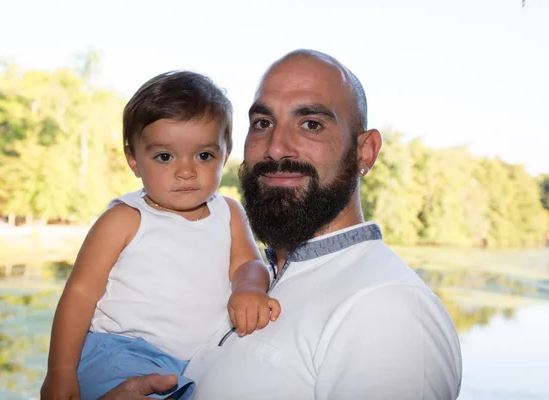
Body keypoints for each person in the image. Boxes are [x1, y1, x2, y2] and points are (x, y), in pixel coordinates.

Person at [103, 49, 463, 400]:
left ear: (364, 152)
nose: (275, 148)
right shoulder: (253, 272)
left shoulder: (389, 309)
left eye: (311, 124)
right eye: (263, 123)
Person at [40, 71, 281, 400]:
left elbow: (247, 264)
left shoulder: (228, 212)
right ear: (134, 160)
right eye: (164, 156)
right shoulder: (125, 219)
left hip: (195, 364)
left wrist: (249, 288)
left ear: (225, 156)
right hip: (120, 355)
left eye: (204, 155)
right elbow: (79, 295)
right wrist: (61, 372)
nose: (185, 170)